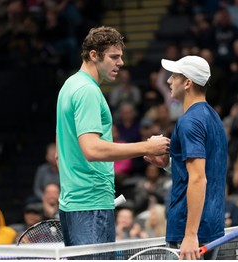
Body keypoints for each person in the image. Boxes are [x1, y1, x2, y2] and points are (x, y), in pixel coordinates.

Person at [55, 26, 170, 247]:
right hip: (91, 204)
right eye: (114, 57)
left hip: (74, 203)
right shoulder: (87, 91)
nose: (121, 63)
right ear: (93, 55)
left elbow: (61, 152)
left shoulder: (69, 86)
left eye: (121, 57)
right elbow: (93, 149)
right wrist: (147, 147)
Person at [144, 55, 228, 260]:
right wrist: (168, 164)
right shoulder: (213, 117)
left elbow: (199, 178)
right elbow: (201, 170)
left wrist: (190, 235)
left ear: (188, 83)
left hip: (189, 233)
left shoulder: (189, 121)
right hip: (211, 227)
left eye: (174, 76)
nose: (169, 81)